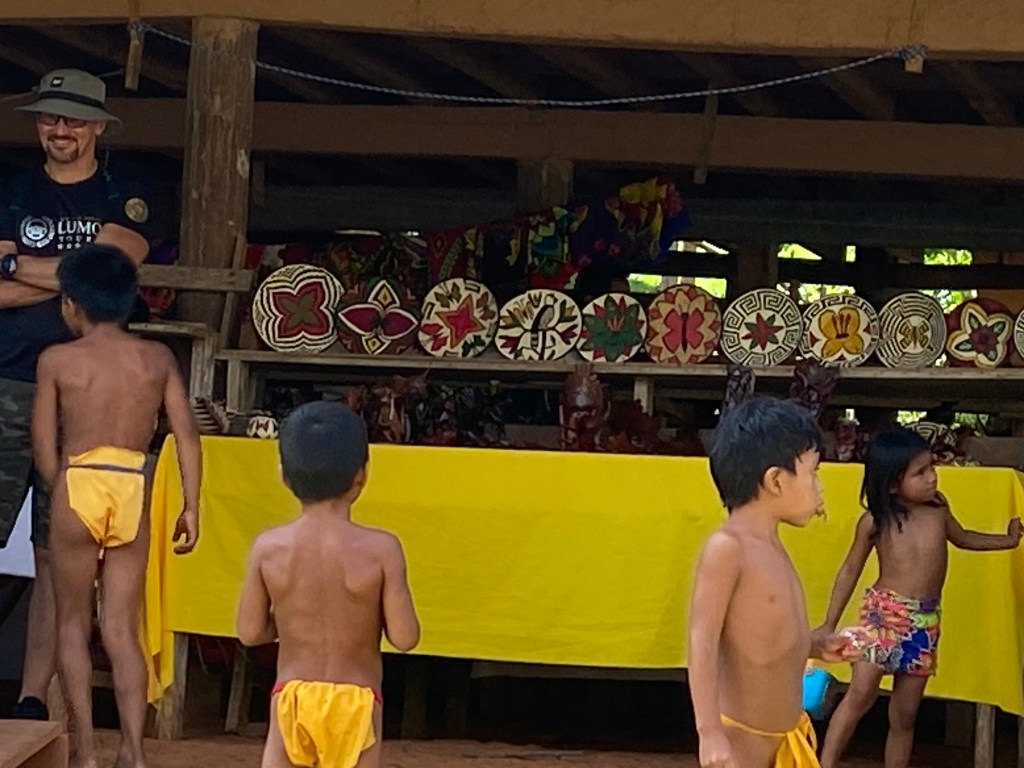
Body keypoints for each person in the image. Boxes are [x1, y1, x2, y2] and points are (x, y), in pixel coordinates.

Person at [0, 68, 155, 720]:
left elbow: (116, 267)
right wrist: (74, 274)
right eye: (48, 117)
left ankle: (32, 700)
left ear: (96, 126)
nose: (58, 128)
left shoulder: (127, 192)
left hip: (87, 398)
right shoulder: (13, 188)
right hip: (8, 381)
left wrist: (14, 263)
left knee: (54, 552)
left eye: (70, 118)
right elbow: (85, 278)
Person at [32, 244, 200, 768]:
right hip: (131, 483)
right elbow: (187, 436)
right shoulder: (157, 359)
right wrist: (191, 507)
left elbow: (44, 446)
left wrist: (65, 489)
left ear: (71, 303)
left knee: (71, 624)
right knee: (123, 629)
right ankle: (134, 751)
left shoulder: (57, 360)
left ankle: (85, 752)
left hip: (78, 482)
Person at [814, 428, 1022, 768]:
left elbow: (964, 538)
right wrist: (828, 623)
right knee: (859, 696)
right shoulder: (874, 521)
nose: (932, 477)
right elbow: (849, 571)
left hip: (925, 623)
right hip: (883, 616)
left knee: (905, 715)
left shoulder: (938, 508)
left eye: (932, 467)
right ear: (893, 484)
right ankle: (823, 764)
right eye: (920, 472)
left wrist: (1007, 541)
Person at [237, 401, 420, 768]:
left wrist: (289, 620)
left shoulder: (268, 548)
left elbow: (250, 632)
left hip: (291, 696)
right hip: (357, 701)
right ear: (361, 475)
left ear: (284, 476)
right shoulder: (382, 550)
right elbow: (405, 637)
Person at [689, 397, 865, 768]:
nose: (819, 487)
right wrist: (709, 732)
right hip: (743, 742)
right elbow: (702, 642)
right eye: (813, 472)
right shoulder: (728, 548)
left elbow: (763, 639)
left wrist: (816, 646)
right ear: (776, 481)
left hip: (787, 739)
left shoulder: (773, 546)